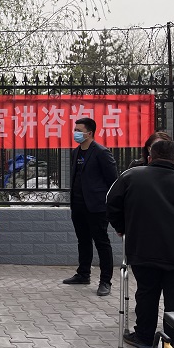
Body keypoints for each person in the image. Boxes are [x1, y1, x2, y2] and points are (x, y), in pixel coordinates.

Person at [107, 140, 174, 348]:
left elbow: (111, 204)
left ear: (150, 158)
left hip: (143, 250)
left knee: (146, 294)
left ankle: (144, 337)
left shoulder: (131, 177)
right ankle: (173, 344)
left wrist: (122, 227)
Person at [63, 117, 118, 296]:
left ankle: (105, 281)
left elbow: (113, 181)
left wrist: (108, 203)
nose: (75, 133)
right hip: (78, 205)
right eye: (75, 130)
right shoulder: (76, 152)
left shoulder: (101, 152)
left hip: (96, 207)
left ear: (90, 133)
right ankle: (83, 274)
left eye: (79, 130)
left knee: (102, 242)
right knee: (83, 240)